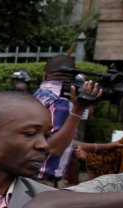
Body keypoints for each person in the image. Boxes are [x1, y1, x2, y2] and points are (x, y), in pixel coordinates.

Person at [34, 55, 114, 187]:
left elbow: (63, 141)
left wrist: (105, 147)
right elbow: (53, 147)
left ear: (45, 75)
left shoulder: (39, 95)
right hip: (42, 182)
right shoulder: (60, 101)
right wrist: (78, 110)